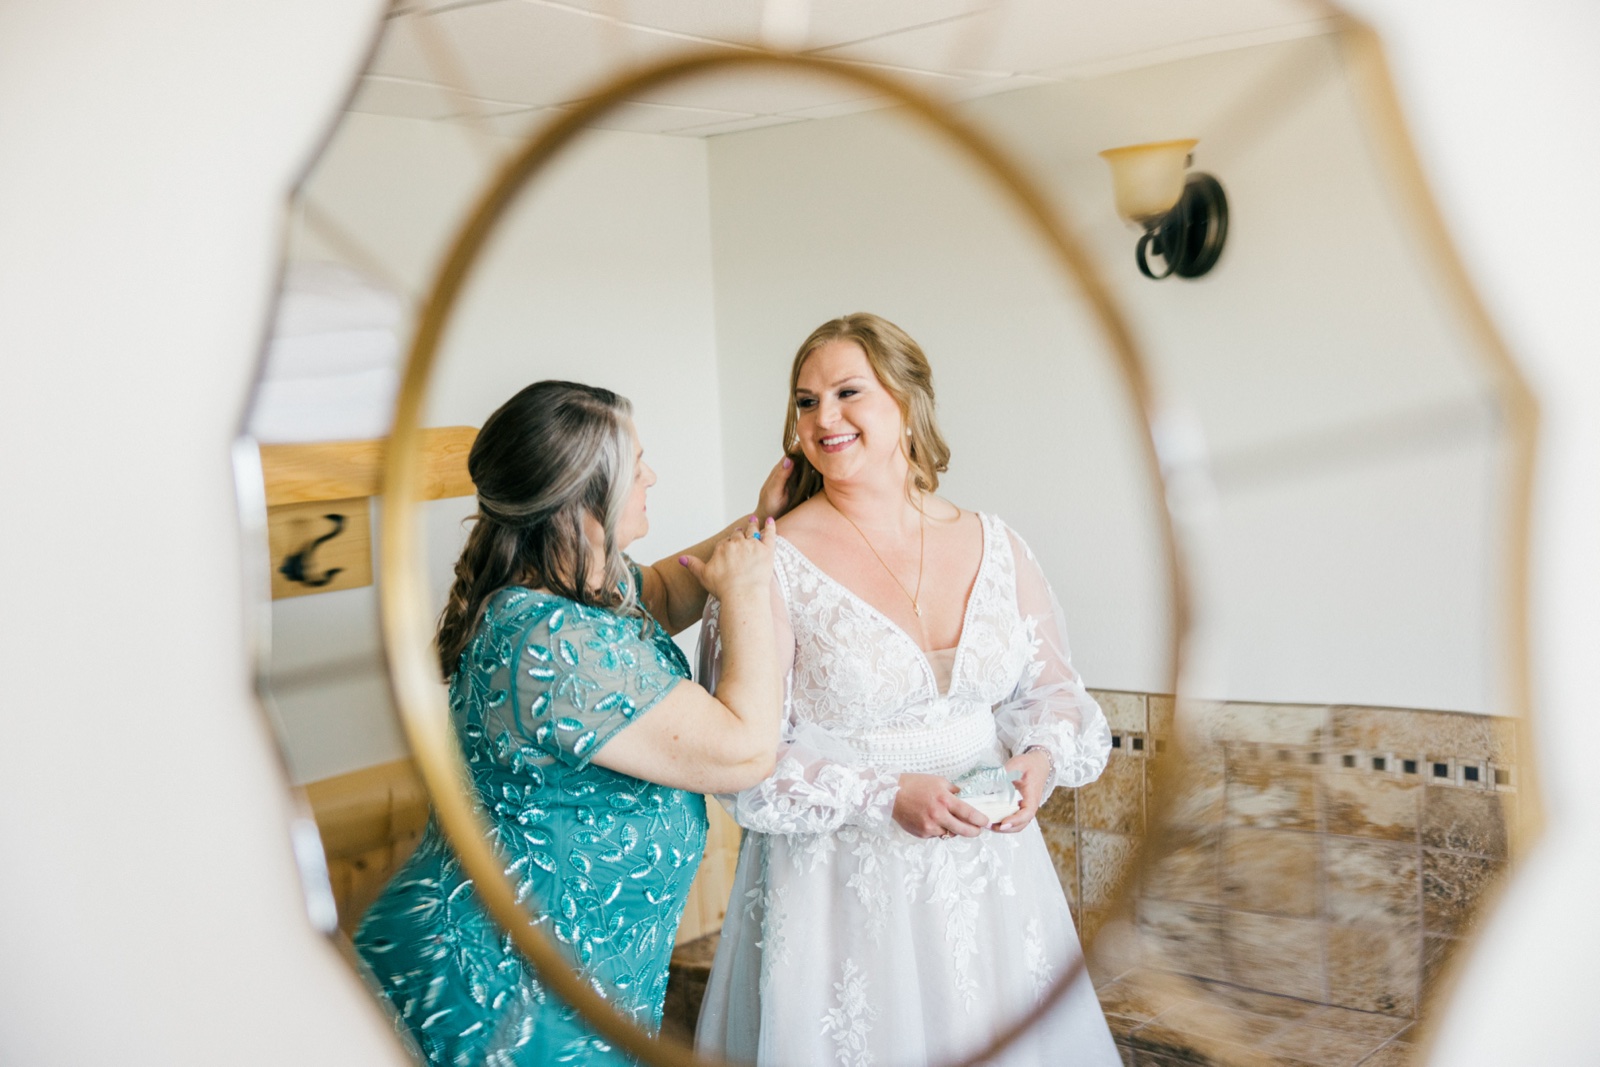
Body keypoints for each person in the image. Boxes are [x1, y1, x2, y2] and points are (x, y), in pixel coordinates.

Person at [695, 315, 1120, 1066]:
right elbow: (743, 761)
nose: (823, 417)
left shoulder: (997, 542)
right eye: (805, 401)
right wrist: (882, 795)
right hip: (842, 895)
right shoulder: (769, 562)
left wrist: (1042, 759)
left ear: (907, 400)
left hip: (992, 885)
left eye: (847, 392)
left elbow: (1054, 690)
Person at [354, 380, 788, 1067]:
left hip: (570, 987)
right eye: (634, 464)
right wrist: (748, 590)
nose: (651, 475)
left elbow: (675, 585)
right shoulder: (550, 640)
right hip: (496, 1004)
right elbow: (745, 748)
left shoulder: (587, 583)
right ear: (580, 504)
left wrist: (768, 516)